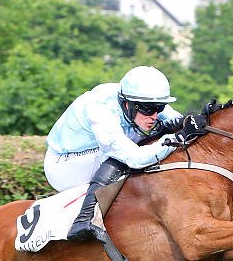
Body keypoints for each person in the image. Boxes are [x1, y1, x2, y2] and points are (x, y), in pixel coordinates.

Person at [44, 65, 206, 242]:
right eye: (148, 109)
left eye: (159, 108)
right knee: (124, 156)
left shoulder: (140, 98)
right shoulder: (100, 109)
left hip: (92, 155)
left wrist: (195, 121)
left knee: (158, 134)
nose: (154, 115)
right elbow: (134, 158)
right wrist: (177, 137)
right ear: (128, 104)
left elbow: (176, 120)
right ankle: (84, 219)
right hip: (64, 166)